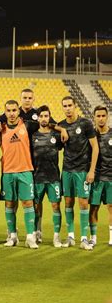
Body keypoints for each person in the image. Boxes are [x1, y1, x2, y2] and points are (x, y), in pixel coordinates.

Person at [0, 100, 42, 249]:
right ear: (5, 113)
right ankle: (12, 236)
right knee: (10, 203)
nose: (11, 113)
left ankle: (30, 237)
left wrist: (61, 129)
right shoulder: (1, 128)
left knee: (28, 203)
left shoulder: (28, 125)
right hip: (8, 172)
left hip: (25, 171)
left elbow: (46, 123)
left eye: (14, 110)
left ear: (18, 111)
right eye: (8, 110)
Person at [58, 96, 98, 251]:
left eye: (70, 105)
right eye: (65, 106)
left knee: (83, 203)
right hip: (67, 169)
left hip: (82, 170)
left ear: (75, 106)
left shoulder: (85, 124)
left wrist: (92, 170)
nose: (67, 108)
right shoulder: (61, 124)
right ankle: (70, 236)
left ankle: (83, 238)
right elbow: (50, 124)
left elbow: (95, 147)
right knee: (68, 202)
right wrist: (60, 129)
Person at [31, 105, 64, 247]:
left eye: (46, 116)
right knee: (36, 206)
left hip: (53, 177)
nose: (44, 118)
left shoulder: (56, 135)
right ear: (38, 117)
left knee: (55, 205)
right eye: (41, 116)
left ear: (49, 117)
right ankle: (37, 231)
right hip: (37, 177)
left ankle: (56, 237)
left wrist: (60, 129)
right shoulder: (32, 136)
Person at [89, 106, 112, 247]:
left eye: (103, 115)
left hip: (111, 177)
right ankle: (93, 237)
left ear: (107, 116)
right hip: (96, 178)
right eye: (98, 116)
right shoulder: (91, 136)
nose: (101, 118)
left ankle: (111, 237)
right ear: (94, 118)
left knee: (111, 207)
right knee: (94, 208)